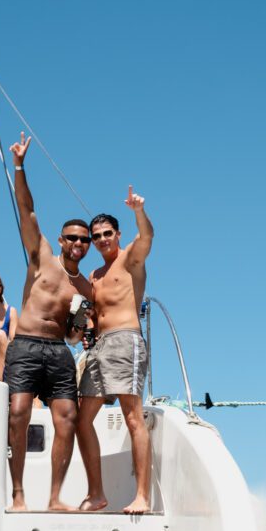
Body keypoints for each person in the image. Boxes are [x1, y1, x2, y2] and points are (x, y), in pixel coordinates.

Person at [6, 131, 93, 512]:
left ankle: (55, 497)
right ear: (60, 239)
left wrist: (81, 320)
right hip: (25, 345)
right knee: (19, 413)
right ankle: (18, 494)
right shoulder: (41, 255)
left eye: (84, 240)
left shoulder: (86, 286)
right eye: (73, 237)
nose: (79, 243)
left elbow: (75, 336)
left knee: (68, 419)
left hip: (58, 352)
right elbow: (26, 210)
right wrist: (20, 166)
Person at [77, 186, 154, 514]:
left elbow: (147, 236)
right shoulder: (93, 276)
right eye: (96, 236)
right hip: (100, 347)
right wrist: (87, 328)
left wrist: (138, 210)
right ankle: (97, 493)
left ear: (118, 234)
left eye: (107, 233)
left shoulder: (130, 258)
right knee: (82, 420)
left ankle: (141, 497)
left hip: (126, 341)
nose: (102, 239)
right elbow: (93, 314)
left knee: (132, 418)